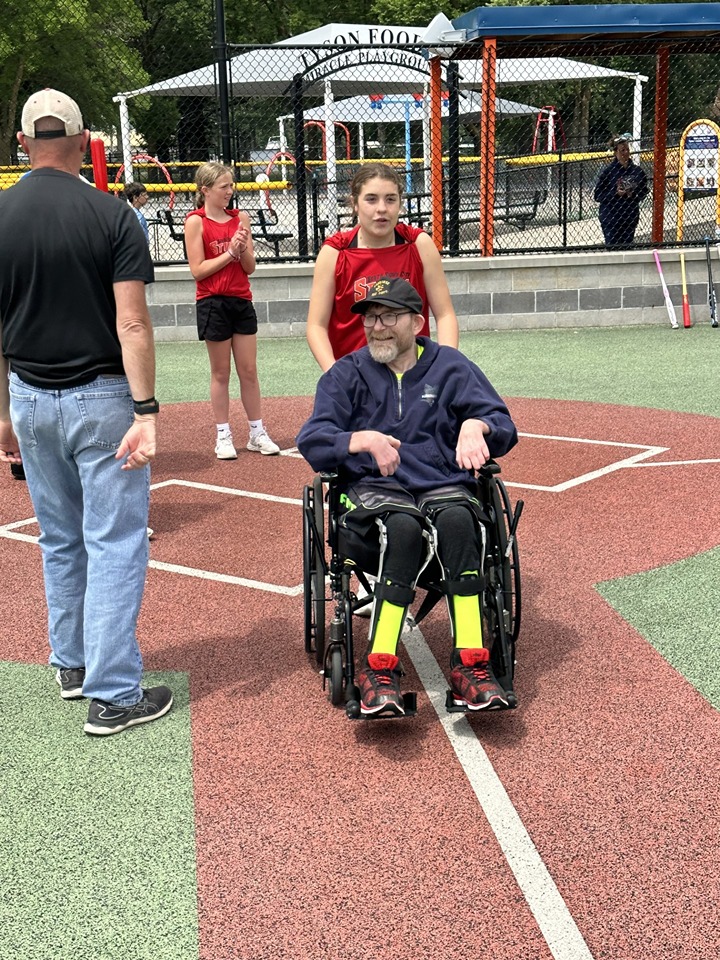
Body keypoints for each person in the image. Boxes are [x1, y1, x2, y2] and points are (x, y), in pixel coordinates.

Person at [0, 88, 172, 736]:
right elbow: (132, 323)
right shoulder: (113, 216)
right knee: (116, 540)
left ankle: (71, 664)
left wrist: (4, 414)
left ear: (22, 144)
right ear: (82, 140)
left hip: (29, 395)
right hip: (101, 397)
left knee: (61, 537)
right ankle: (113, 694)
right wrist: (148, 411)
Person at [296, 277, 518, 717]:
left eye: (388, 317)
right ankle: (379, 667)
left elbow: (502, 423)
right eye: (370, 317)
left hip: (442, 485)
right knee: (401, 528)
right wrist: (359, 440)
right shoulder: (347, 374)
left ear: (417, 322)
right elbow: (313, 439)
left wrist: (478, 427)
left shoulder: (451, 368)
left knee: (459, 521)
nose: (377, 326)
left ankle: (471, 663)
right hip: (373, 493)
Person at [306, 163, 460, 372]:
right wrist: (335, 375)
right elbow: (316, 326)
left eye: (390, 199)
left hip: (412, 374)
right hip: (356, 375)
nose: (381, 208)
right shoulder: (335, 253)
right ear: (355, 204)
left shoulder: (417, 245)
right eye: (371, 199)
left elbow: (445, 315)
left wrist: (445, 367)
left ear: (399, 204)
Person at [184, 162, 279, 459]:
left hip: (241, 300)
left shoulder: (241, 218)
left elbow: (249, 268)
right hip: (212, 301)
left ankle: (256, 432)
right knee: (221, 372)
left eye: (231, 185)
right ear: (206, 190)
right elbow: (198, 271)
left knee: (249, 371)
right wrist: (229, 253)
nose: (230, 191)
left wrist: (242, 249)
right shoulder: (195, 222)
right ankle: (223, 434)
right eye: (224, 186)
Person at [594, 134, 649, 249]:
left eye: (627, 150)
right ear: (615, 152)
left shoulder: (636, 171)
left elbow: (644, 190)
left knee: (627, 248)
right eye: (622, 150)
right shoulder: (608, 172)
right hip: (611, 218)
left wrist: (633, 194)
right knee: (613, 249)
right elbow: (598, 195)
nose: (625, 153)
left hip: (629, 216)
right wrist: (615, 193)